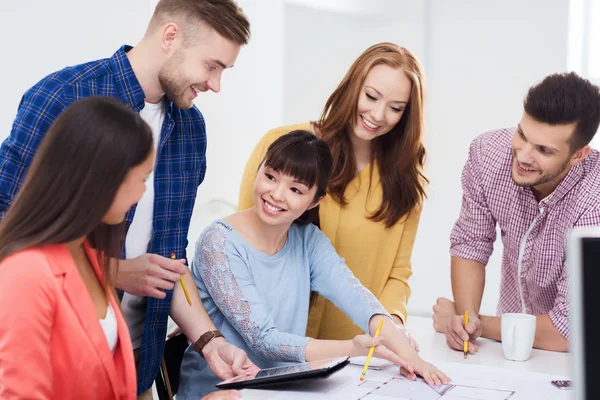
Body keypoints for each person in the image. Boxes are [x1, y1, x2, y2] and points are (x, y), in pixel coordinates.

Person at [0, 0, 254, 397]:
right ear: (170, 36)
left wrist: (210, 342)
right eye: (212, 66)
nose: (216, 84)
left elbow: (170, 260)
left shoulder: (190, 129)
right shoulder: (64, 97)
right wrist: (113, 272)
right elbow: (8, 230)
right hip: (60, 365)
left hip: (136, 362)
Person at [179, 130, 449, 399]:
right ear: (259, 169)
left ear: (316, 200)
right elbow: (263, 340)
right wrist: (352, 347)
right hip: (220, 392)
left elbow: (357, 297)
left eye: (295, 189)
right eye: (270, 176)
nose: (276, 194)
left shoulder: (308, 240)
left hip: (284, 390)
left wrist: (411, 356)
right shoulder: (219, 242)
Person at [238, 43, 427, 344]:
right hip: (267, 344)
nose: (377, 115)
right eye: (371, 96)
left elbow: (398, 274)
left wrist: (392, 326)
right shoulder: (280, 144)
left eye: (395, 108)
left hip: (352, 353)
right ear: (352, 86)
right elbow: (242, 242)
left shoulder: (404, 182)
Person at [432, 72, 600, 354]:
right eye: (522, 134)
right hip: (507, 346)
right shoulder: (488, 154)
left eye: (543, 150)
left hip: (577, 358)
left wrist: (476, 323)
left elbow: (569, 331)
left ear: (578, 156)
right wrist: (466, 320)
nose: (523, 156)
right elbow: (470, 242)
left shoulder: (594, 201)